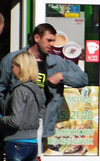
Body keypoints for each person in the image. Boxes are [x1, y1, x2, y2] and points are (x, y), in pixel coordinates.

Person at [0, 23, 89, 152]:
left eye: (54, 41)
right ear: (37, 38)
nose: (52, 44)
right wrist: (6, 118)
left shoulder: (56, 62)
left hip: (43, 127)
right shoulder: (13, 60)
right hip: (16, 129)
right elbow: (1, 90)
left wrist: (61, 75)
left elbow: (83, 78)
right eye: (49, 40)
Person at [1, 51, 45, 161]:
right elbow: (40, 116)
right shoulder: (38, 90)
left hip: (16, 144)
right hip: (32, 143)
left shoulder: (19, 91)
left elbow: (15, 121)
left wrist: (1, 119)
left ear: (21, 68)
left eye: (14, 66)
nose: (11, 69)